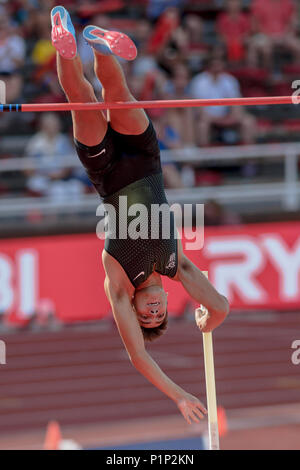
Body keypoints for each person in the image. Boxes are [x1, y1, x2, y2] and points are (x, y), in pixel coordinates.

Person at [50, 6, 229, 425]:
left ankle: (65, 41)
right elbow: (220, 305)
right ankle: (98, 42)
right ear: (167, 300)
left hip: (106, 172)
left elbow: (138, 355)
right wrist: (210, 319)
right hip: (146, 161)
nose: (152, 312)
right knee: (118, 96)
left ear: (135, 307)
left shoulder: (117, 279)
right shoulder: (175, 265)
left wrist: (180, 395)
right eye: (160, 313)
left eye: (146, 316)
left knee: (82, 99)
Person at [190, 57, 256, 146]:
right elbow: (199, 109)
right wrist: (215, 119)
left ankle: (248, 155)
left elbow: (236, 103)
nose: (217, 68)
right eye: (215, 65)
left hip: (226, 116)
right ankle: (204, 156)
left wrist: (233, 116)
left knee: (248, 121)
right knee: (202, 125)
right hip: (208, 118)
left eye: (219, 65)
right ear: (209, 66)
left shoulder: (229, 80)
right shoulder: (199, 81)